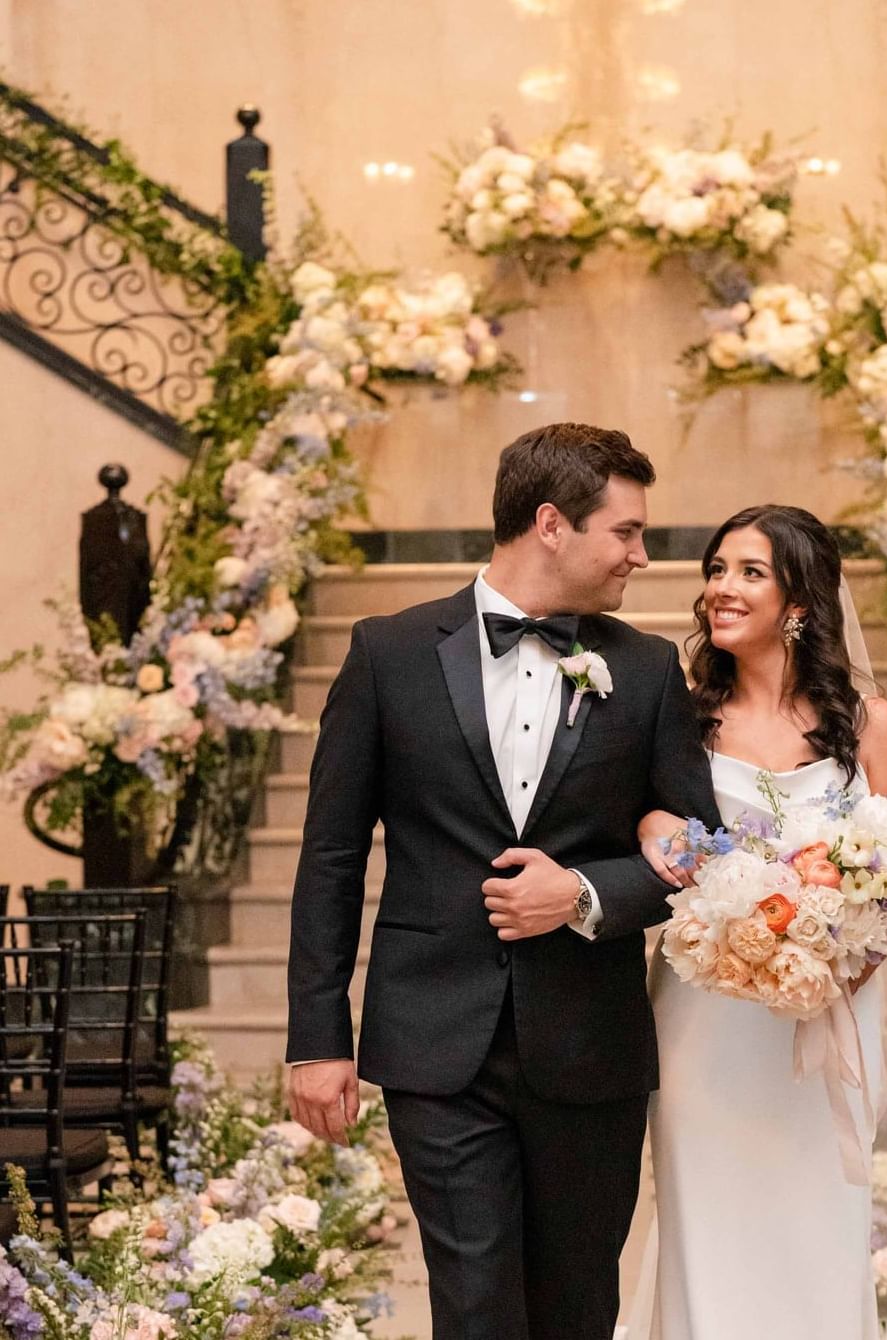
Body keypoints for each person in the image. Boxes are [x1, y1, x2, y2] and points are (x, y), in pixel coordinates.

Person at [285, 422, 720, 1340]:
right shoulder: (386, 653)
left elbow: (700, 854)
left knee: (575, 1305)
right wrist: (316, 1038)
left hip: (589, 1041)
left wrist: (589, 896)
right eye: (628, 532)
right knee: (476, 1303)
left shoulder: (644, 671)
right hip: (437, 1042)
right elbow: (330, 856)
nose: (642, 556)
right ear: (553, 523)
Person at [629, 504, 887, 1339]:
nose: (722, 588)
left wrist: (826, 968)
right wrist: (655, 836)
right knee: (705, 1213)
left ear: (799, 600)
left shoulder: (868, 725)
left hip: (827, 1009)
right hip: (702, 1015)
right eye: (716, 570)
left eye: (749, 572)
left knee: (817, 1217)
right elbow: (645, 820)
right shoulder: (680, 717)